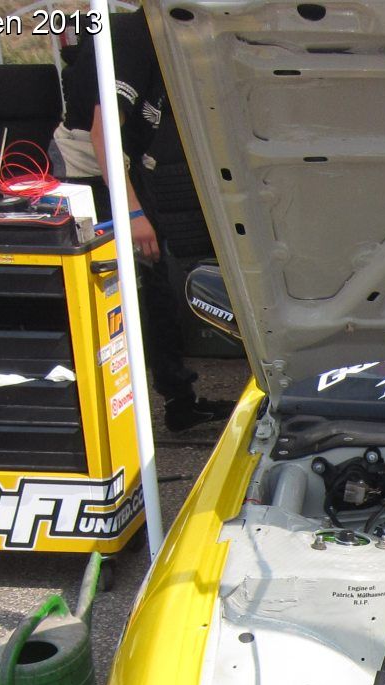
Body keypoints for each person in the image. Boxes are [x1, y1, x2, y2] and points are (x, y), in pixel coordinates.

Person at [60, 15, 230, 433]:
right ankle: (101, 419)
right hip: (90, 172)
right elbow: (103, 134)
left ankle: (180, 403)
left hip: (125, 167)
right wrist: (133, 213)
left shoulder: (165, 45)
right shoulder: (132, 38)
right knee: (116, 290)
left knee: (157, 285)